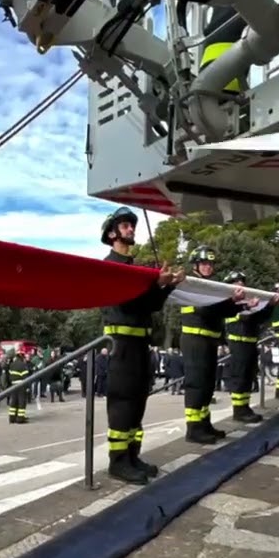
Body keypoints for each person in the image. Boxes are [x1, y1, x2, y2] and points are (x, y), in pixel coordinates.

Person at [99, 207, 183, 485]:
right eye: (124, 225)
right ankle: (118, 462)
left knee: (138, 402)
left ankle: (133, 456)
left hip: (140, 345)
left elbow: (150, 306)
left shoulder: (136, 269)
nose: (131, 229)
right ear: (112, 234)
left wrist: (166, 287)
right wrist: (154, 284)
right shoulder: (109, 267)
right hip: (121, 345)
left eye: (132, 225)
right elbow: (127, 301)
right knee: (123, 402)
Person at [178, 246, 265, 445]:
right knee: (197, 384)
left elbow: (222, 311)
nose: (208, 267)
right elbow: (206, 310)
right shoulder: (192, 285)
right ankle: (193, 428)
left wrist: (244, 306)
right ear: (195, 265)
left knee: (208, 384)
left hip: (209, 340)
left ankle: (204, 423)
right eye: (204, 263)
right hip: (195, 339)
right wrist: (234, 302)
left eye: (210, 264)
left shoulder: (211, 287)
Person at [222, 271, 278, 423]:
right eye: (236, 282)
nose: (240, 284)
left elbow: (259, 318)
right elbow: (244, 318)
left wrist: (270, 306)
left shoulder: (246, 302)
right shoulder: (229, 302)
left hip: (250, 342)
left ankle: (245, 407)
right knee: (240, 377)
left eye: (242, 281)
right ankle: (239, 410)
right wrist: (250, 306)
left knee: (248, 376)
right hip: (238, 342)